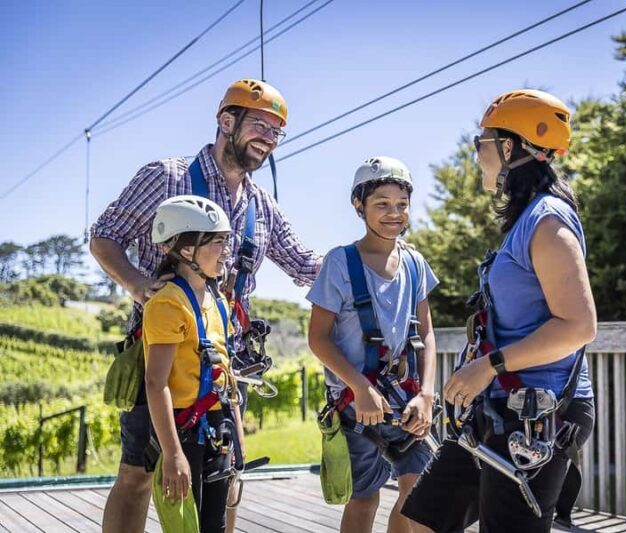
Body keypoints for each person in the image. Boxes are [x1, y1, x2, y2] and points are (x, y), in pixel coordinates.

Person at [91, 79, 320, 533]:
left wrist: (370, 258)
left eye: (277, 132)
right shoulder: (167, 176)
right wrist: (139, 285)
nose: (268, 138)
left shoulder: (260, 206)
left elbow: (304, 264)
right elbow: (104, 236)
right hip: (162, 355)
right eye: (259, 124)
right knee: (138, 473)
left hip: (223, 363)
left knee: (226, 473)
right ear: (225, 120)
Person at [401, 89, 597, 532]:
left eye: (480, 144)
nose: (477, 157)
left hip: (536, 413)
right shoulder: (528, 217)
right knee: (424, 519)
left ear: (509, 147)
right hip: (498, 407)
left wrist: (489, 366)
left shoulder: (548, 221)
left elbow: (579, 325)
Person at [307, 156, 438, 533]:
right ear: (359, 206)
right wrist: (359, 387)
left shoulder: (414, 263)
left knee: (420, 496)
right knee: (364, 497)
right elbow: (318, 337)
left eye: (402, 205)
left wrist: (427, 395)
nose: (393, 213)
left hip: (407, 401)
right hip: (356, 406)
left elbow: (427, 333)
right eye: (382, 204)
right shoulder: (340, 263)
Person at [144, 195, 241, 532]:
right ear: (187, 250)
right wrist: (172, 454)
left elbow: (226, 371)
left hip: (218, 424)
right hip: (184, 432)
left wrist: (237, 435)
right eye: (217, 241)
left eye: (227, 241)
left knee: (214, 524)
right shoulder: (168, 304)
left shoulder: (216, 299)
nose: (226, 250)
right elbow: (156, 383)